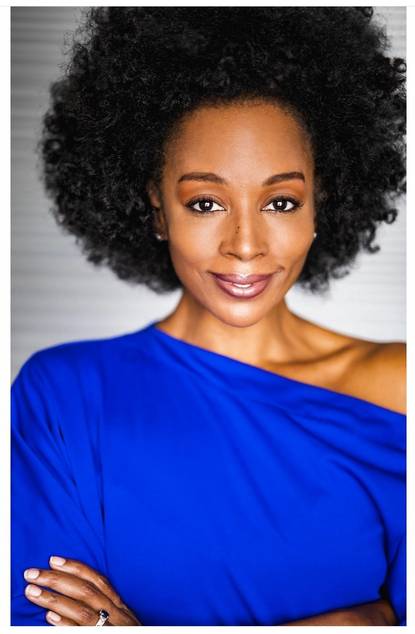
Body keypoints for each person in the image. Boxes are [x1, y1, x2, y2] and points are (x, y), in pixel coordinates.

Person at [11, 6, 406, 626]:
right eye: (204, 203)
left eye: (281, 201)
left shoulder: (401, 387)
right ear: (156, 208)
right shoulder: (65, 395)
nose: (245, 245)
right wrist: (366, 618)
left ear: (320, 204)